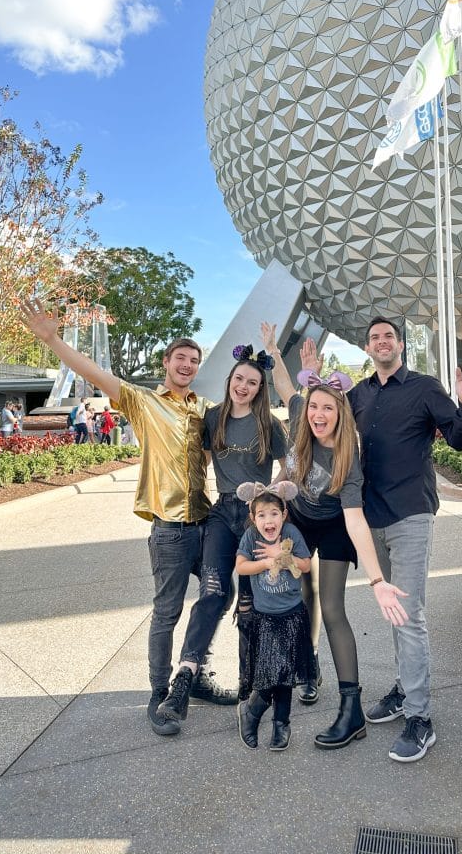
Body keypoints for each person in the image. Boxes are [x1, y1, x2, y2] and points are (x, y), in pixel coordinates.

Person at [20, 298, 229, 737]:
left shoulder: (204, 409)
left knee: (218, 595)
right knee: (168, 611)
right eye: (180, 359)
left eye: (194, 360)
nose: (187, 365)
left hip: (206, 524)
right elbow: (93, 373)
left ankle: (194, 674)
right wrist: (54, 340)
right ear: (166, 362)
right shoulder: (143, 402)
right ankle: (159, 692)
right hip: (170, 530)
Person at [342, 316, 462, 763]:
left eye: (389, 336)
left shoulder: (425, 387)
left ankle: (420, 717)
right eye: (375, 337)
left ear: (401, 345)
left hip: (411, 514)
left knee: (408, 613)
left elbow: (460, 442)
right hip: (372, 518)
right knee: (393, 611)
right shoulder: (358, 395)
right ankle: (405, 687)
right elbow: (327, 432)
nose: (382, 342)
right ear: (367, 348)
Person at [262, 322, 408, 751]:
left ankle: (351, 711)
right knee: (298, 596)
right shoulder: (297, 426)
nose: (319, 415)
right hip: (302, 521)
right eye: (314, 408)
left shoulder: (347, 457)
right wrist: (273, 349)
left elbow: (357, 521)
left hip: (337, 526)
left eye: (328, 409)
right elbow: (287, 384)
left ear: (340, 413)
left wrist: (378, 580)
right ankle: (308, 671)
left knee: (332, 609)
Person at [155, 344, 287, 729]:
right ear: (231, 380)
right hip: (220, 515)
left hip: (255, 520)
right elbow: (197, 461)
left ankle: (256, 684)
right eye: (240, 379)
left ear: (261, 389)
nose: (243, 387)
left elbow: (291, 464)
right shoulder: (213, 418)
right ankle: (185, 678)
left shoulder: (269, 425)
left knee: (255, 600)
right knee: (212, 593)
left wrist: (269, 498)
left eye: (253, 383)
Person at [235, 481, 312, 751]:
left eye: (274, 514)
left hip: (292, 615)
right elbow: (241, 567)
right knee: (272, 672)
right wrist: (267, 563)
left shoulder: (291, 533)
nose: (269, 520)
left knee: (286, 672)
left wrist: (283, 555)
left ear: (284, 514)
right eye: (262, 515)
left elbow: (305, 565)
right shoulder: (250, 537)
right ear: (253, 518)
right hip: (264, 618)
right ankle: (253, 710)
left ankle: (281, 723)